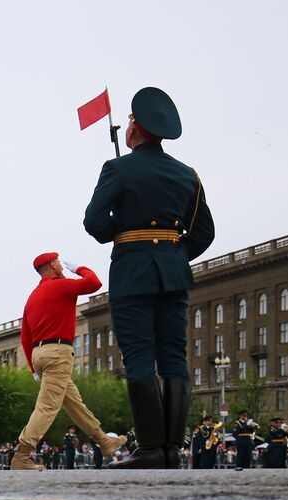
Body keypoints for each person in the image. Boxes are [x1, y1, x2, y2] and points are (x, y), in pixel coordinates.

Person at [84, 88, 215, 469]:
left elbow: (94, 222)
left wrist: (126, 228)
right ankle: (172, 449)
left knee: (139, 356)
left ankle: (150, 450)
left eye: (129, 121)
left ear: (135, 129)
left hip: (132, 271)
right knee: (174, 355)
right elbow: (203, 233)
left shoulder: (118, 169)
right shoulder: (187, 175)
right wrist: (171, 257)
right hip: (174, 274)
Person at [10, 252, 125, 470]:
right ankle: (22, 455)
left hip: (40, 354)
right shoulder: (60, 286)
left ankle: (104, 440)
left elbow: (25, 335)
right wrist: (80, 268)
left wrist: (34, 368)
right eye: (59, 263)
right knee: (47, 406)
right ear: (53, 265)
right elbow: (94, 282)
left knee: (73, 403)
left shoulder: (33, 297)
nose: (62, 266)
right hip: (58, 353)